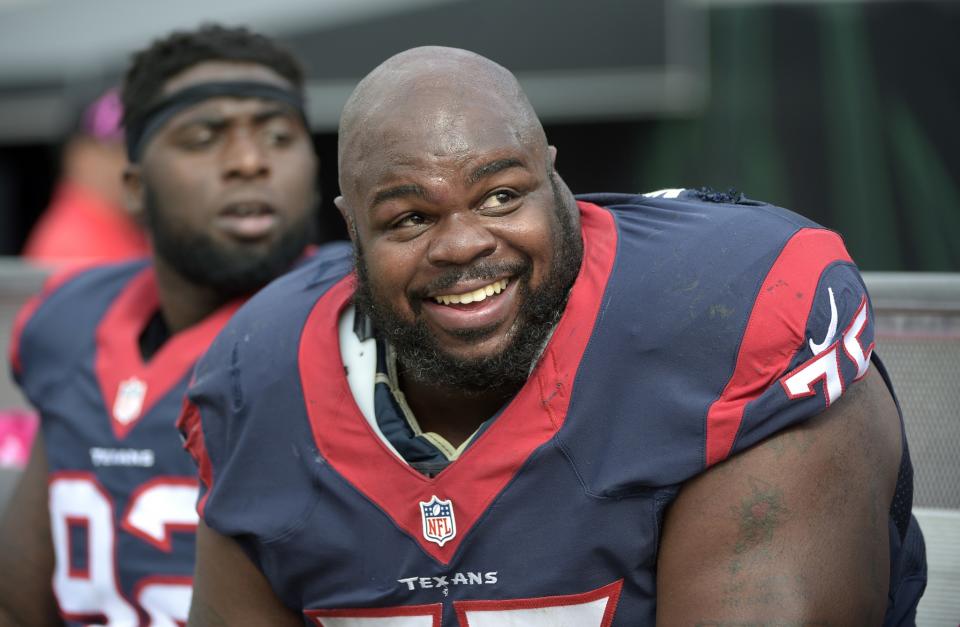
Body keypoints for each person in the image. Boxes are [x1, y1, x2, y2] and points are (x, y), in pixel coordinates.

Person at [179, 47, 927, 625]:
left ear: (554, 178)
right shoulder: (261, 378)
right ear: (351, 230)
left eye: (502, 195)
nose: (464, 243)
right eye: (410, 216)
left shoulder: (727, 314)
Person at [0, 24, 322, 626]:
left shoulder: (353, 321)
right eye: (204, 137)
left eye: (278, 135)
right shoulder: (71, 317)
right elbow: (17, 605)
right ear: (135, 186)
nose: (250, 161)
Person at [23, 87, 150, 267]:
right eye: (116, 151)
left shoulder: (124, 227)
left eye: (137, 149)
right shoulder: (71, 244)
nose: (130, 163)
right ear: (78, 157)